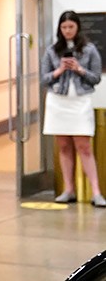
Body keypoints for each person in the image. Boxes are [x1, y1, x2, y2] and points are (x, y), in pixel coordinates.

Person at [40, 11, 105, 206]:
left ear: (77, 27)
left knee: (84, 145)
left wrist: (79, 69)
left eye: (71, 27)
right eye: (63, 27)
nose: (67, 31)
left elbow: (95, 78)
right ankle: (69, 190)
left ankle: (96, 192)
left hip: (80, 100)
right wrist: (59, 70)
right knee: (63, 145)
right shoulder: (52, 50)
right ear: (60, 29)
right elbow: (44, 79)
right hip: (58, 101)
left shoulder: (90, 49)